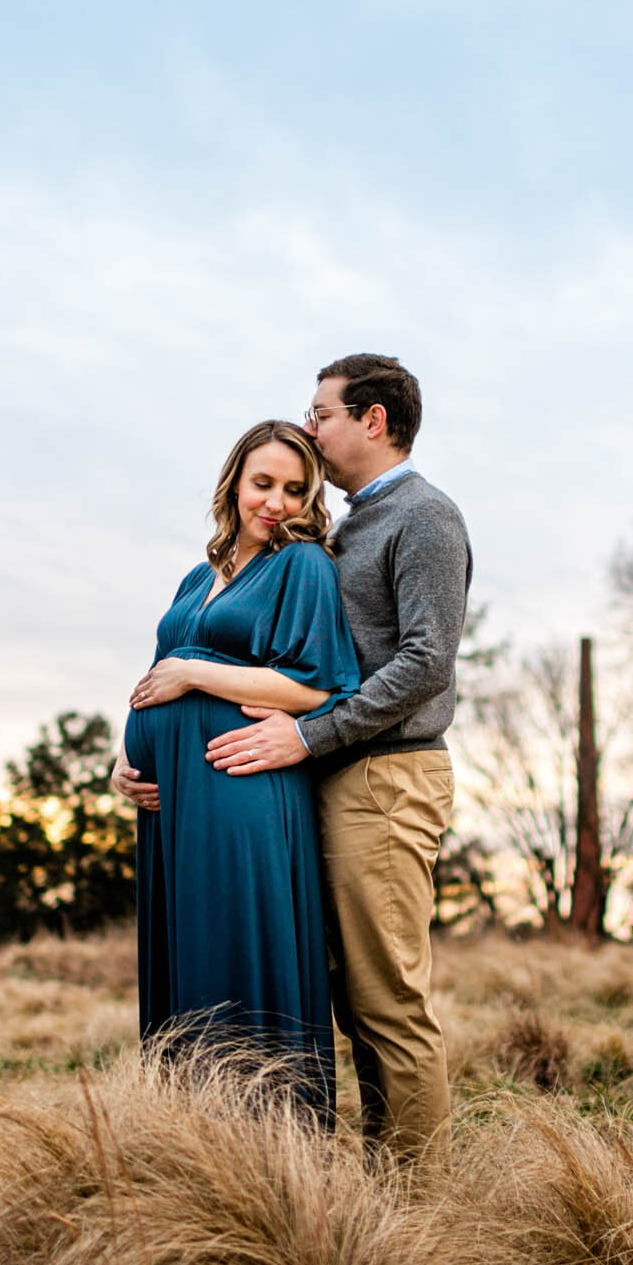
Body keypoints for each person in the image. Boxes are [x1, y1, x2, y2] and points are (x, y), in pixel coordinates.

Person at [205, 354, 470, 1163]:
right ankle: (366, 1182)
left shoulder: (425, 516)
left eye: (321, 414)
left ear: (374, 421)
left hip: (388, 779)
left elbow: (427, 660)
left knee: (386, 1003)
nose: (311, 427)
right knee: (344, 1001)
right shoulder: (345, 526)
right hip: (332, 779)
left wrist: (310, 735)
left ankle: (414, 1213)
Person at [111, 420, 359, 1123]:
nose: (275, 502)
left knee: (233, 955)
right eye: (262, 484)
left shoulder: (304, 565)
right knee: (184, 958)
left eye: (293, 489)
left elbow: (319, 687)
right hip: (171, 805)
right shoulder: (198, 575)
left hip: (241, 785)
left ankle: (267, 1144)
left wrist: (196, 671)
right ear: (234, 485)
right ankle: (191, 1148)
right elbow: (156, 681)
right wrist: (123, 762)